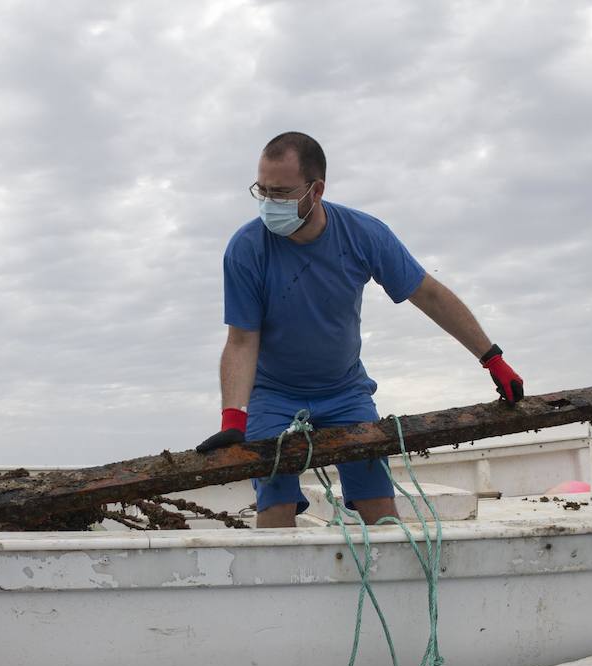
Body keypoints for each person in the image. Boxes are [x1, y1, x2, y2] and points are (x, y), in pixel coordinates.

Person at [196, 132, 523, 528]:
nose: (268, 203)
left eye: (280, 193)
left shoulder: (363, 234)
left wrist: (492, 358)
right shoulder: (246, 248)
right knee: (275, 507)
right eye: (261, 191)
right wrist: (234, 418)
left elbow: (429, 294)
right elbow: (242, 340)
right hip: (273, 394)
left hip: (344, 392)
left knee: (379, 506)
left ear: (316, 190)